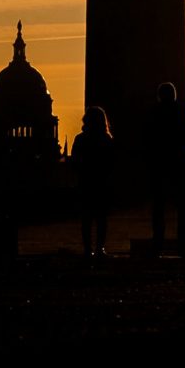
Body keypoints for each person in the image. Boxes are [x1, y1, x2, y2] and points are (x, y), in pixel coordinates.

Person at [142, 81, 185, 256]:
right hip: (179, 165)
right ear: (175, 96)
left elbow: (146, 139)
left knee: (158, 209)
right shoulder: (184, 114)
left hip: (158, 165)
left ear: (159, 96)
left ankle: (157, 245)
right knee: (182, 210)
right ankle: (183, 246)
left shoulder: (153, 114)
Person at [71, 105, 119, 258]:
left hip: (86, 182)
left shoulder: (80, 139)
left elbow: (75, 162)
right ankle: (99, 248)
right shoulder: (107, 140)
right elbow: (112, 163)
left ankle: (87, 249)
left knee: (86, 218)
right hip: (102, 183)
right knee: (101, 218)